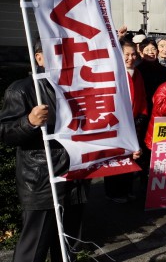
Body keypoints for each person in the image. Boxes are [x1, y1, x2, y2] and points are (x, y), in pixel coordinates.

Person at [0, 39, 90, 262]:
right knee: (34, 245)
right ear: (39, 58)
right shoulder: (22, 89)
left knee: (68, 244)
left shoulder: (77, 87)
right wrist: (28, 122)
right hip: (41, 180)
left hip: (75, 175)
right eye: (54, 54)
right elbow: (4, 132)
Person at [104, 41, 148, 203]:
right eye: (127, 54)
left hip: (134, 121)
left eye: (133, 54)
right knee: (116, 158)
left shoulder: (137, 73)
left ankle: (127, 189)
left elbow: (142, 97)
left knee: (131, 156)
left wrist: (142, 116)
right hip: (116, 122)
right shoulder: (114, 72)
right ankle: (113, 192)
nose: (131, 58)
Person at [137, 39, 166, 114]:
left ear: (157, 52)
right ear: (141, 53)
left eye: (153, 49)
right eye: (147, 50)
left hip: (159, 106)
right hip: (142, 108)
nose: (151, 52)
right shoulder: (137, 70)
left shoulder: (164, 70)